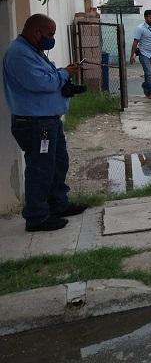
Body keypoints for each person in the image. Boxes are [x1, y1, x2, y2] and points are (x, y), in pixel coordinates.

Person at [2, 14, 88, 231]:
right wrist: (63, 73)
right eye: (50, 34)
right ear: (36, 32)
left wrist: (62, 75)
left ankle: (58, 204)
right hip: (35, 124)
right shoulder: (19, 54)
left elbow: (48, 77)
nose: (52, 39)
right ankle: (37, 217)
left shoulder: (34, 51)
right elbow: (42, 82)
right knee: (40, 169)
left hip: (48, 121)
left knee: (58, 163)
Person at [129, 9, 151, 99]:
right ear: (145, 18)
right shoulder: (140, 28)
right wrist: (132, 55)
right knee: (148, 73)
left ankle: (146, 85)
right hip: (144, 53)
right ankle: (150, 92)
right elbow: (135, 42)